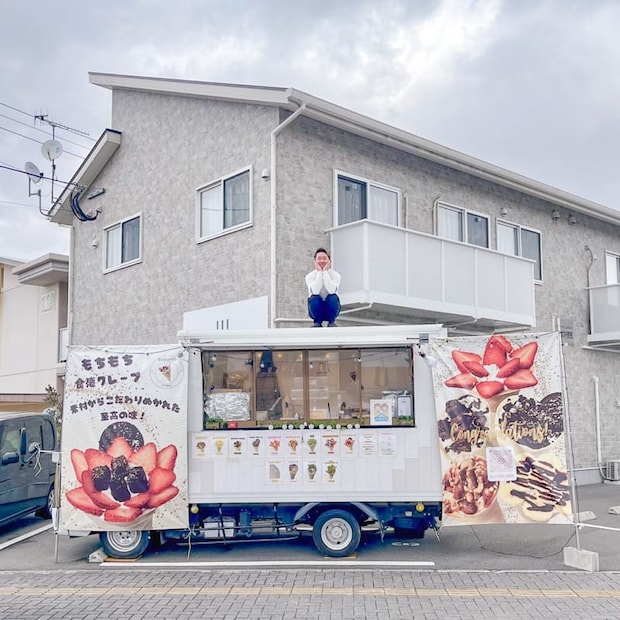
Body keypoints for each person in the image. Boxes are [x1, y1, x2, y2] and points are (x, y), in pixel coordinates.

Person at [306, 248, 341, 327]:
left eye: (324, 258)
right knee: (314, 297)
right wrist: (319, 273)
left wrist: (325, 272)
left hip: (331, 307)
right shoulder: (310, 276)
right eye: (319, 259)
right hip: (315, 309)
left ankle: (331, 322)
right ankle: (317, 322)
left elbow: (332, 290)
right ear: (315, 262)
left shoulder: (336, 275)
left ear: (330, 261)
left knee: (332, 297)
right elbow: (315, 291)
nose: (322, 261)